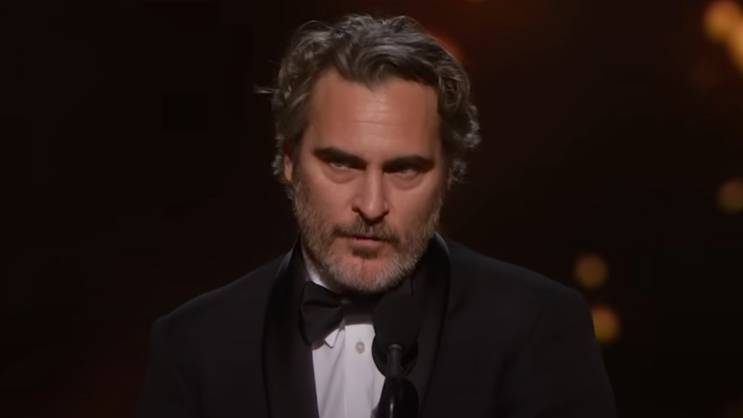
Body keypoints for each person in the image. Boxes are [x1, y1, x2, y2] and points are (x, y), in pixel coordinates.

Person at [138, 14, 616, 418]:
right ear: (288, 162)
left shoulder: (539, 328)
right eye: (341, 164)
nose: (371, 206)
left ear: (449, 175)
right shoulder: (193, 345)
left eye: (404, 169)